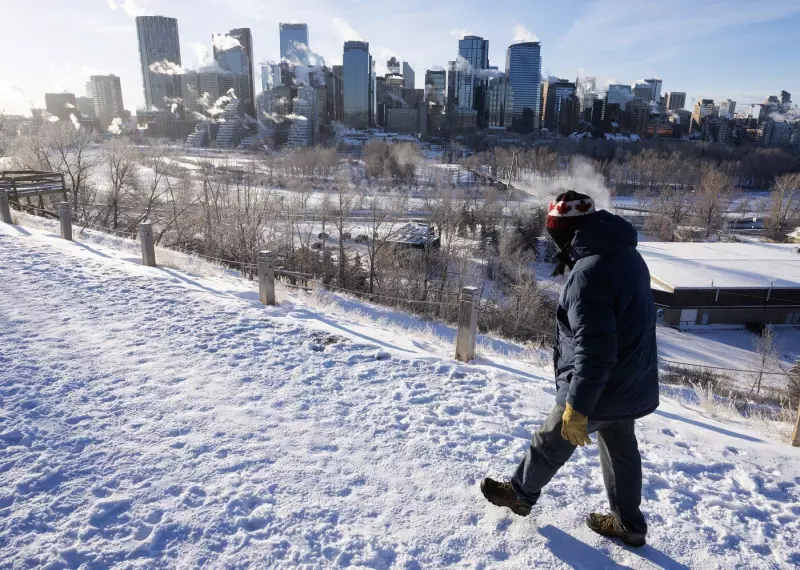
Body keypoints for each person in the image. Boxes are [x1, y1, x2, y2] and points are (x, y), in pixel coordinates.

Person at [480, 190, 659, 548]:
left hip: (599, 386)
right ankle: (629, 525)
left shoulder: (589, 274)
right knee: (621, 452)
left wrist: (576, 406)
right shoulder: (626, 254)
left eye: (554, 231)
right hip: (630, 381)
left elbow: (594, 352)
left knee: (551, 440)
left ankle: (520, 494)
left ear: (566, 231)